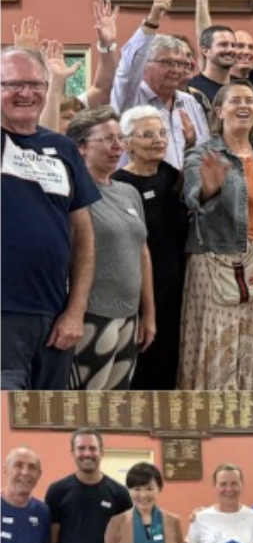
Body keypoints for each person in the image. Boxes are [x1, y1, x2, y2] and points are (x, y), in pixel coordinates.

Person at [179, 80, 253, 390]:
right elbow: (192, 198)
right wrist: (209, 189)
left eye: (250, 100)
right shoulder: (202, 154)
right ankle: (211, 417)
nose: (244, 105)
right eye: (235, 100)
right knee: (216, 349)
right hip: (214, 261)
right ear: (219, 111)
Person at [1, 47, 100, 392]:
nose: (26, 93)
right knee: (6, 418)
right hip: (5, 315)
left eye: (34, 84)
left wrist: (75, 311)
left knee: (49, 419)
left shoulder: (62, 148)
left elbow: (84, 235)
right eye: (12, 84)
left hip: (54, 317)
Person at [64, 108, 153, 390]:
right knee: (84, 406)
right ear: (81, 147)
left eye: (120, 138)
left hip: (129, 315)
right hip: (92, 314)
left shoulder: (128, 192)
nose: (117, 147)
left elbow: (142, 252)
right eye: (107, 139)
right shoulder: (71, 191)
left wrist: (149, 313)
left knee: (115, 406)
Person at [113, 105, 187, 390]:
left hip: (174, 284)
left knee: (168, 361)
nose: (158, 140)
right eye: (148, 135)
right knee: (138, 360)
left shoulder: (173, 176)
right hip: (135, 287)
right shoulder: (118, 185)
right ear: (126, 143)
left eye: (162, 133)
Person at [110, 0, 211, 169]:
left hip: (185, 185)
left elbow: (204, 150)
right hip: (138, 185)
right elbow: (129, 68)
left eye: (180, 63)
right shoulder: (129, 98)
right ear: (145, 65)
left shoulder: (190, 103)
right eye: (167, 63)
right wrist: (153, 19)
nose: (176, 70)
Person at [46, 428, 132, 543]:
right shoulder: (57, 491)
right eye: (81, 448)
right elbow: (53, 537)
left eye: (92, 448)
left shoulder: (119, 494)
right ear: (73, 452)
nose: (87, 453)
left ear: (102, 452)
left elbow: (125, 540)